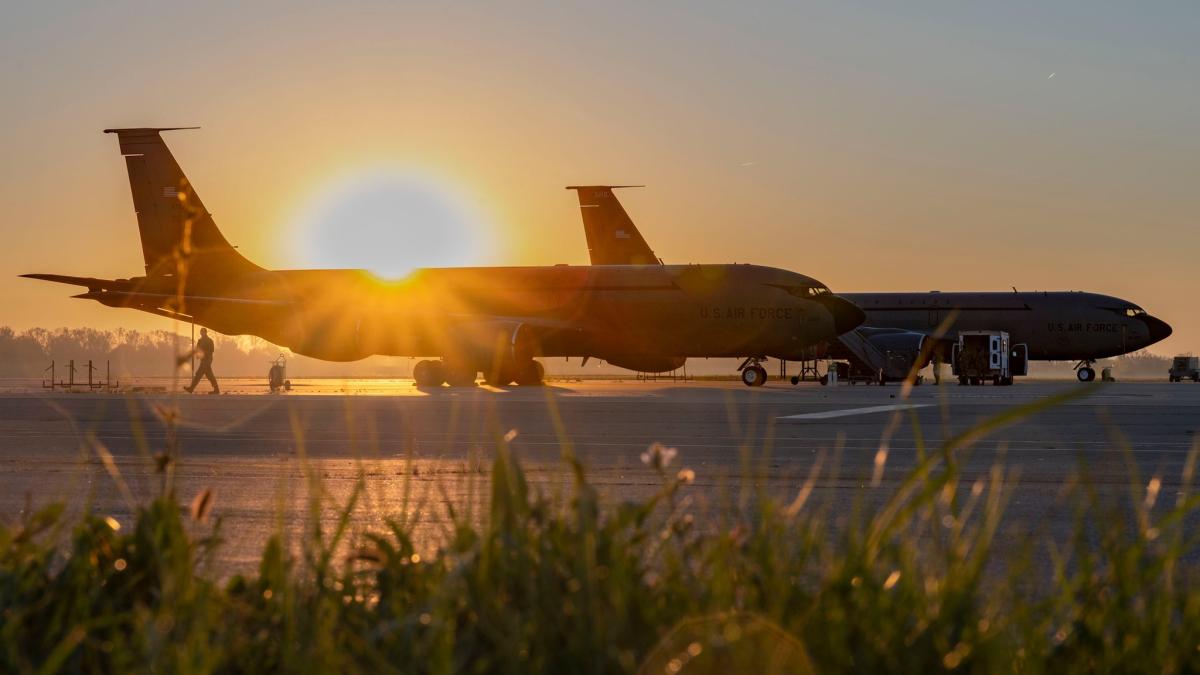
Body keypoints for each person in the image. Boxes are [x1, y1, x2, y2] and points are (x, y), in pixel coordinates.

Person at [183, 327, 220, 394]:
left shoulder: (209, 341)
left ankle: (191, 388)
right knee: (209, 375)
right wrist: (197, 355)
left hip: (207, 359)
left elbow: (211, 351)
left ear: (205, 332)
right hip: (203, 360)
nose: (202, 333)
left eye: (203, 332)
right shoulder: (200, 341)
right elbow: (198, 349)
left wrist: (203, 353)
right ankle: (216, 389)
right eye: (201, 332)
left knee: (199, 374)